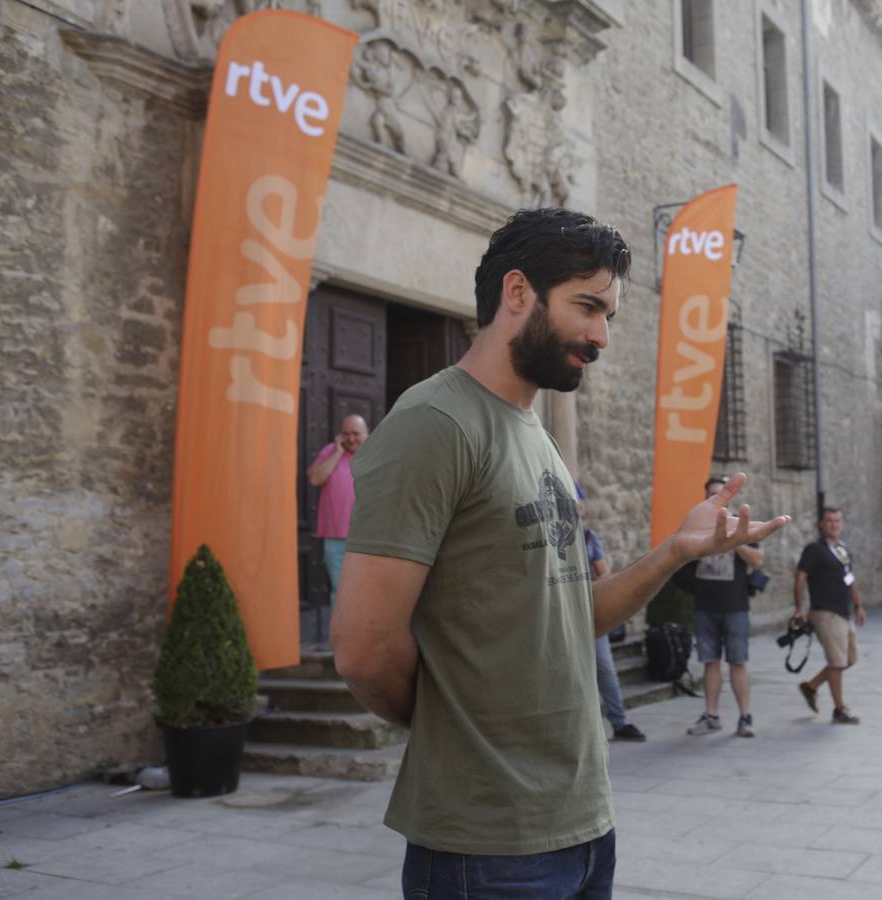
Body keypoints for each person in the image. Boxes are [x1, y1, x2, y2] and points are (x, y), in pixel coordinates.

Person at [329, 207, 789, 900]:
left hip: (581, 825)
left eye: (609, 313)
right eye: (587, 307)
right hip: (486, 847)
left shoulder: (534, 432)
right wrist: (449, 726)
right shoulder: (434, 423)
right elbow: (363, 649)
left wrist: (673, 554)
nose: (602, 334)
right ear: (518, 293)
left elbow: (567, 617)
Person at [674, 476, 763, 739]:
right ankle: (711, 715)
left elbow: (758, 560)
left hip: (735, 606)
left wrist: (735, 542)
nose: (718, 499)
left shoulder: (741, 526)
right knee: (710, 662)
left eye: (722, 494)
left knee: (737, 662)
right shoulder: (696, 528)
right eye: (713, 494)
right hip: (705, 606)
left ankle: (745, 716)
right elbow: (681, 561)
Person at [578, 482, 646, 743]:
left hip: (590, 611)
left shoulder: (587, 538)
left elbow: (604, 572)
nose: (575, 506)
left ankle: (620, 722)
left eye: (578, 501)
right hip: (558, 615)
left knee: (605, 668)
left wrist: (597, 583)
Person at [793, 508, 866, 725]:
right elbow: (799, 578)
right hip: (824, 612)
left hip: (843, 612)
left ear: (842, 524)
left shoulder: (842, 550)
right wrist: (798, 607)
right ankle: (839, 709)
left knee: (849, 659)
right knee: (837, 662)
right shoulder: (814, 550)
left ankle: (811, 686)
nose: (834, 524)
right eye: (829, 521)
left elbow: (849, 579)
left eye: (837, 521)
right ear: (821, 525)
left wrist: (858, 605)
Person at [305, 414, 369, 604]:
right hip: (336, 538)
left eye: (356, 434)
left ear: (367, 433)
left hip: (368, 537)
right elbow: (315, 478)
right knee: (340, 592)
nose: (350, 439)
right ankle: (342, 635)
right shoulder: (330, 451)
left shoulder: (376, 453)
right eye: (345, 434)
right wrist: (338, 453)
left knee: (368, 591)